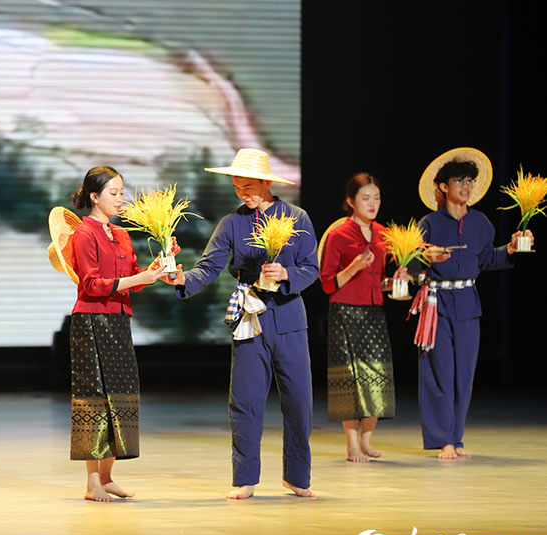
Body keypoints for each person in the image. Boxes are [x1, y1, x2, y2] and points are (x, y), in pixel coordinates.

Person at [169, 148, 318, 499]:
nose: (243, 192)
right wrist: (181, 279)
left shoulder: (297, 217)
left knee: (299, 402)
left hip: (289, 319)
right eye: (237, 187)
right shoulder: (231, 224)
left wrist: (286, 273)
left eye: (249, 186)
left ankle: (297, 476)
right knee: (246, 401)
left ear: (266, 183)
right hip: (249, 317)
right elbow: (208, 268)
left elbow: (312, 269)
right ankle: (245, 478)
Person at [411, 148, 529, 459]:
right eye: (458, 180)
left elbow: (487, 259)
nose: (465, 186)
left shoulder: (481, 223)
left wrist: (512, 249)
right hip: (437, 302)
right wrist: (424, 257)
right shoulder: (429, 223)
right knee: (439, 372)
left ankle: (456, 438)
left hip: (467, 302)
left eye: (469, 181)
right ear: (443, 187)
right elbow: (409, 267)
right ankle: (442, 439)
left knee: (464, 373)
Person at [62, 166, 166, 502]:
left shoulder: (120, 234)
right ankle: (92, 482)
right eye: (114, 193)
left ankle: (107, 478)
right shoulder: (85, 234)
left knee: (119, 396)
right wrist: (140, 279)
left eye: (122, 192)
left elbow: (133, 276)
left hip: (118, 321)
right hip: (91, 322)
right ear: (94, 197)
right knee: (94, 397)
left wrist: (157, 271)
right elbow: (91, 285)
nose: (121, 199)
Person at [319, 173, 405, 462]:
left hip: (373, 311)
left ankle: (367, 440)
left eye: (376, 198)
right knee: (350, 377)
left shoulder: (383, 234)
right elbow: (328, 282)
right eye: (365, 198)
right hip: (345, 310)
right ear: (350, 201)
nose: (372, 203)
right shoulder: (338, 234)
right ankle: (352, 444)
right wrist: (354, 266)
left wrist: (394, 283)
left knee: (377, 375)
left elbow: (378, 279)